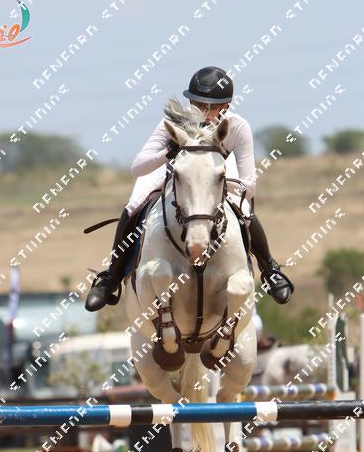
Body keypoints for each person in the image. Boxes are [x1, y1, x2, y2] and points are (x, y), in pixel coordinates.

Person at [85, 66, 294, 312]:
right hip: (173, 171)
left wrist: (213, 183)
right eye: (197, 103)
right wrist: (167, 153)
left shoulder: (237, 127)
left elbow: (249, 185)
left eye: (209, 106)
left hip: (216, 173)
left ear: (225, 106)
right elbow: (137, 167)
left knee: (245, 210)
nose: (202, 111)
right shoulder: (173, 122)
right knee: (135, 203)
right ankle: (111, 277)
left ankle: (269, 269)